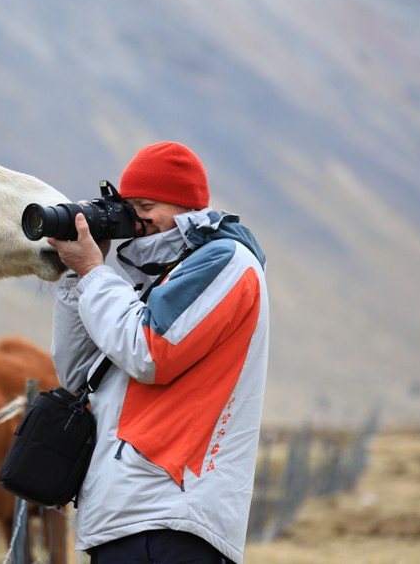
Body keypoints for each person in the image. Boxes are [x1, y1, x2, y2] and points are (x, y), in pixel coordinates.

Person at [48, 141, 268, 564]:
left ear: (186, 207)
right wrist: (78, 280)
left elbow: (150, 353)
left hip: (173, 516)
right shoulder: (158, 279)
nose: (136, 220)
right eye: (128, 207)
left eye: (146, 205)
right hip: (126, 514)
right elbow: (76, 373)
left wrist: (94, 272)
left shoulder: (225, 262)